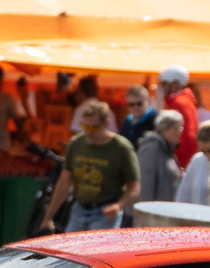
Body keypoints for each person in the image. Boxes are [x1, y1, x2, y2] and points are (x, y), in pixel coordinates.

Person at [44, 98, 141, 232]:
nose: (88, 132)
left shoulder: (122, 148)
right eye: (84, 127)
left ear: (106, 124)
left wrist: (118, 206)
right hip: (79, 210)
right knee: (70, 251)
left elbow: (134, 187)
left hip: (105, 213)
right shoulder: (76, 143)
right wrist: (48, 217)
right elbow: (64, 183)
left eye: (93, 128)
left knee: (95, 252)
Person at [135, 109, 185, 205]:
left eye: (181, 128)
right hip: (152, 214)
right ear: (165, 129)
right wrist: (146, 213)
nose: (180, 131)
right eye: (177, 128)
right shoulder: (151, 148)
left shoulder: (168, 149)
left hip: (164, 210)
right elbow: (145, 185)